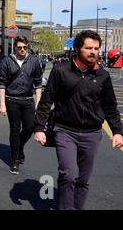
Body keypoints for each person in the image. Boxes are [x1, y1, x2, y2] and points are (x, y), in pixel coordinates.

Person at [34, 30, 123, 210]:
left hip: (92, 134)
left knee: (82, 179)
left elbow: (110, 107)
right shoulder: (61, 71)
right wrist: (38, 128)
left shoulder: (103, 76)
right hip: (65, 130)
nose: (93, 52)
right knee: (68, 174)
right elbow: (47, 100)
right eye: (88, 48)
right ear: (76, 49)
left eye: (96, 48)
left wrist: (117, 132)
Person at [0, 36, 43, 175]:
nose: (22, 50)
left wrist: (38, 103)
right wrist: (2, 104)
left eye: (25, 47)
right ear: (15, 48)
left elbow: (38, 84)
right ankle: (15, 160)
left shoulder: (34, 61)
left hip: (28, 100)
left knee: (30, 128)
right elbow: (1, 84)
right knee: (14, 130)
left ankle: (20, 146)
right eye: (20, 47)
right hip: (12, 100)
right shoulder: (6, 61)